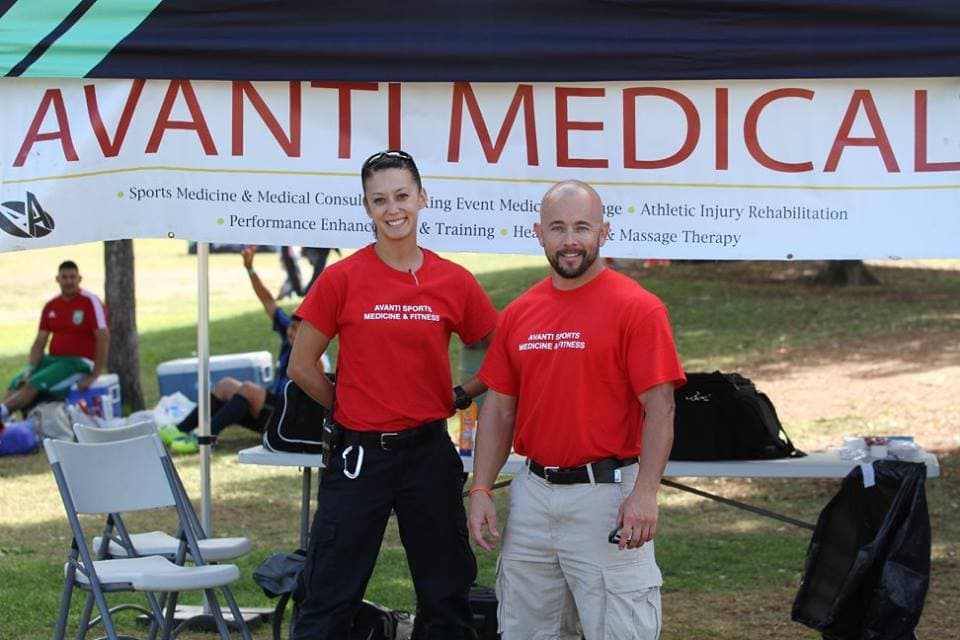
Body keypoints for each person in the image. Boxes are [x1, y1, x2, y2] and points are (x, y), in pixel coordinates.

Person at [288, 149, 498, 639]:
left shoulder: (454, 280)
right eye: (379, 199)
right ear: (367, 208)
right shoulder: (342, 278)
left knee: (445, 593)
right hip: (359, 455)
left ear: (422, 198)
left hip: (428, 453)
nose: (392, 208)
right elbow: (301, 365)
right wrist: (347, 407)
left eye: (402, 195)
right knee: (330, 595)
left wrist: (461, 395)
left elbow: (501, 352)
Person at [467, 180, 686, 640]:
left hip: (608, 496)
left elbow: (661, 408)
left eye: (582, 227)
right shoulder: (520, 313)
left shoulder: (637, 308)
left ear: (604, 232)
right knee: (526, 629)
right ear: (538, 233)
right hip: (532, 493)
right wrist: (482, 487)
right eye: (558, 228)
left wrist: (645, 493)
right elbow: (499, 411)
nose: (570, 240)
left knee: (620, 629)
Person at [158, 246, 328, 453]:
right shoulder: (287, 335)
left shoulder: (316, 355)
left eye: (298, 329)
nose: (292, 333)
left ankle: (205, 438)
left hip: (289, 417)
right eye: (291, 327)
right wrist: (250, 269)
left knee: (249, 389)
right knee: (225, 385)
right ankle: (180, 430)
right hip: (271, 407)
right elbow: (268, 301)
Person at [1, 261, 109, 425]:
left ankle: (2, 414)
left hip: (78, 362)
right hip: (53, 360)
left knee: (34, 384)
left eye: (72, 277)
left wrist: (94, 374)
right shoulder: (51, 306)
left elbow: (104, 337)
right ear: (57, 279)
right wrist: (30, 368)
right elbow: (39, 342)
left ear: (79, 278)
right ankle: (6, 422)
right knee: (18, 380)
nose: (69, 281)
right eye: (64, 277)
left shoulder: (90, 301)